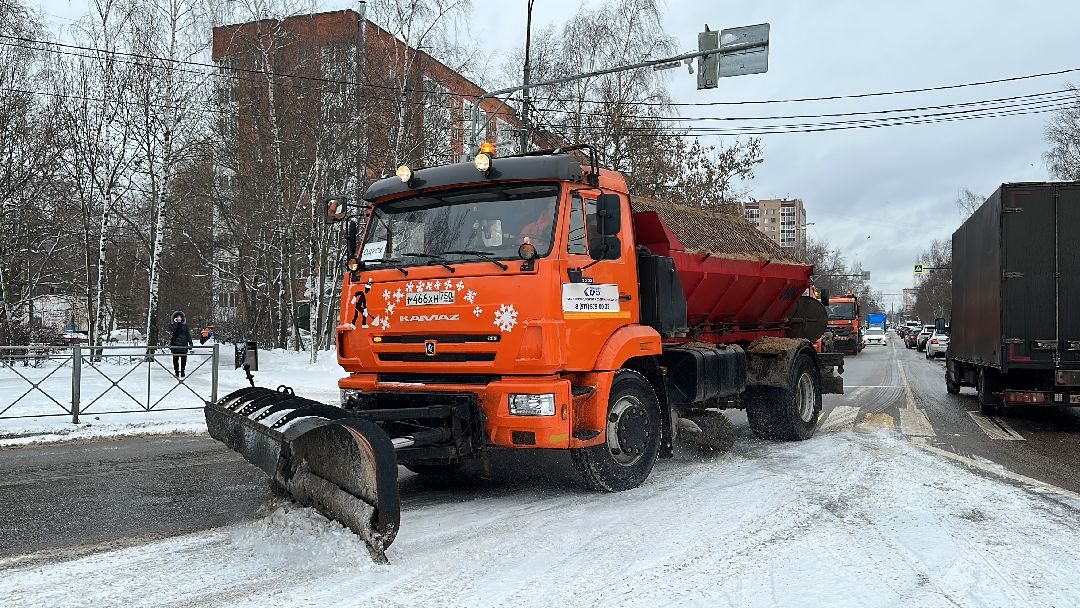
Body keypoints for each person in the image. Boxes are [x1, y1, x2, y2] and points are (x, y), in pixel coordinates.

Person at [169, 311, 193, 378]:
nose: (179, 318)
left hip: (183, 344)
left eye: (180, 317)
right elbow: (173, 330)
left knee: (183, 359)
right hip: (175, 344)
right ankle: (176, 371)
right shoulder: (173, 325)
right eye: (177, 317)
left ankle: (182, 371)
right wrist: (176, 323)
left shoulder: (185, 326)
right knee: (175, 359)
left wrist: (190, 343)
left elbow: (188, 334)